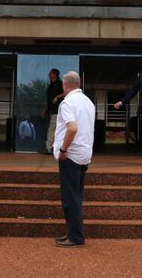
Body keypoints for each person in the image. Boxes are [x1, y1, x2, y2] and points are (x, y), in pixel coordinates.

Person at [53, 71, 95, 248]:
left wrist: (63, 150)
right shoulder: (88, 102)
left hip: (70, 155)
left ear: (65, 85)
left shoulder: (67, 103)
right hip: (83, 154)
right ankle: (73, 233)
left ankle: (76, 237)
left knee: (70, 198)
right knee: (75, 196)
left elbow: (72, 128)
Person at [40, 69, 65, 154]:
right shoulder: (51, 85)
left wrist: (57, 97)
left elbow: (66, 93)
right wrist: (46, 110)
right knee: (55, 130)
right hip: (53, 111)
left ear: (54, 74)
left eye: (50, 73)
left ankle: (49, 148)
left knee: (52, 130)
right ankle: (54, 149)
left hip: (59, 111)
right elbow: (49, 100)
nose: (48, 74)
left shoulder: (60, 84)